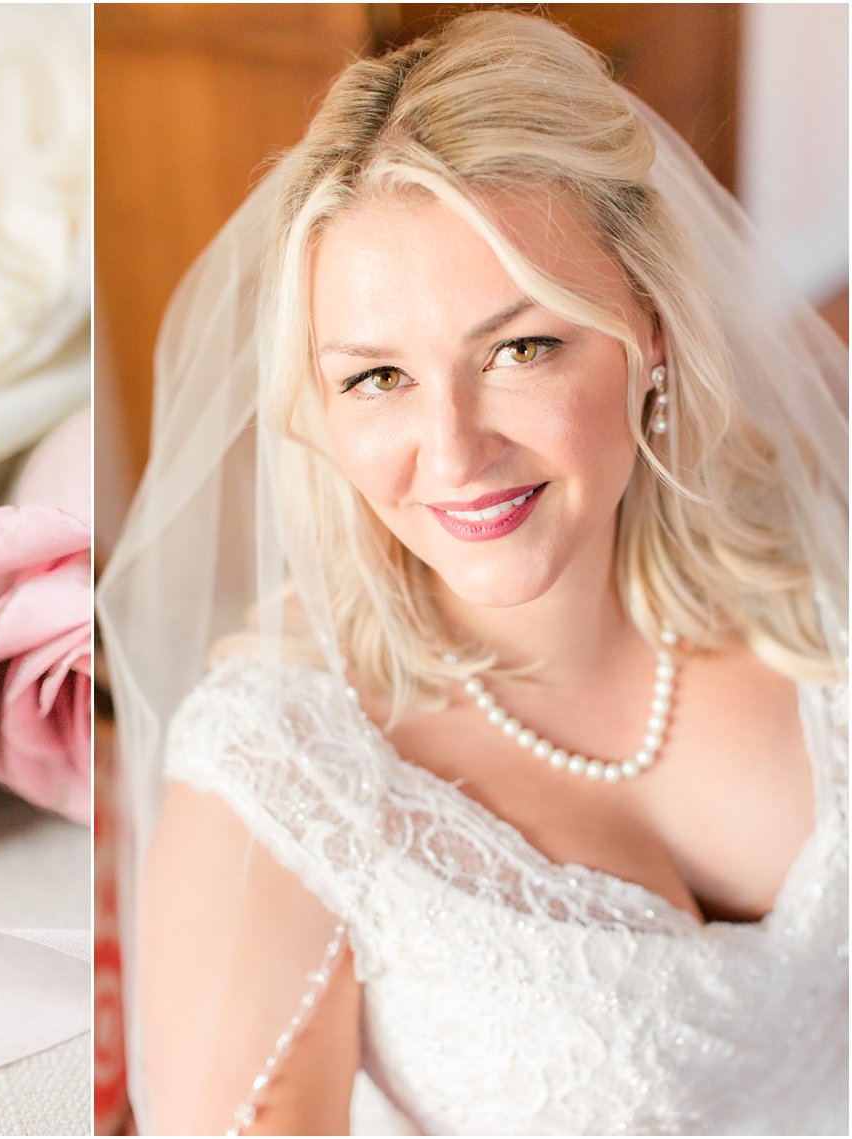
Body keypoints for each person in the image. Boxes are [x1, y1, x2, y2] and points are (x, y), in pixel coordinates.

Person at [98, 11, 848, 1136]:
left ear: (644, 330)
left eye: (517, 348)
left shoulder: (809, 572)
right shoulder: (279, 774)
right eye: (376, 377)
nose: (449, 452)